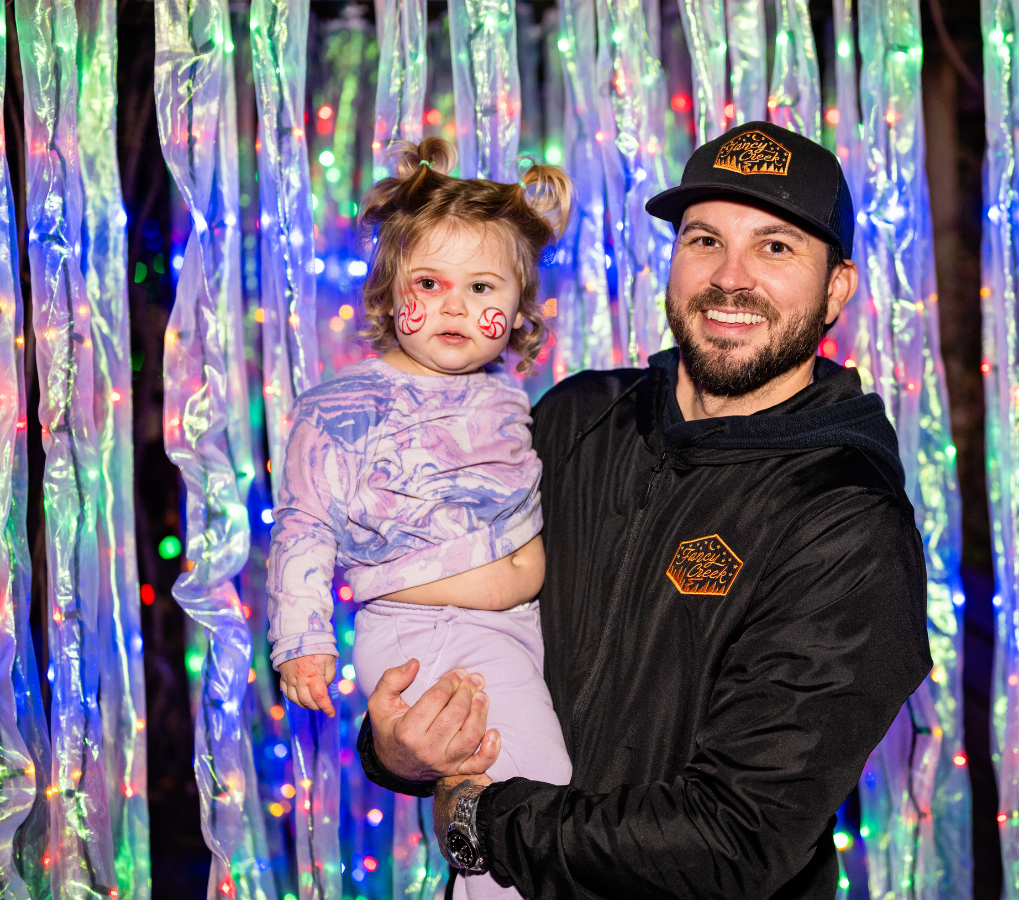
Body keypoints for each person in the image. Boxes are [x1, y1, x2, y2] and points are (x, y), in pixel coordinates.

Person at [357, 121, 932, 899]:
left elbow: (737, 837)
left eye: (775, 247)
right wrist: (396, 750)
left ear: (836, 289)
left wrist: (486, 825)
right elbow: (462, 617)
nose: (730, 278)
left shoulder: (847, 522)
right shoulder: (572, 420)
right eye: (704, 240)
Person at [266, 137, 575, 899]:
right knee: (537, 794)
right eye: (429, 283)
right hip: (428, 628)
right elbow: (303, 522)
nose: (455, 307)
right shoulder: (343, 406)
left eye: (481, 289)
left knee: (509, 798)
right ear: (387, 291)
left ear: (518, 307)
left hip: (516, 629)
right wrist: (301, 642)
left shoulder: (503, 392)